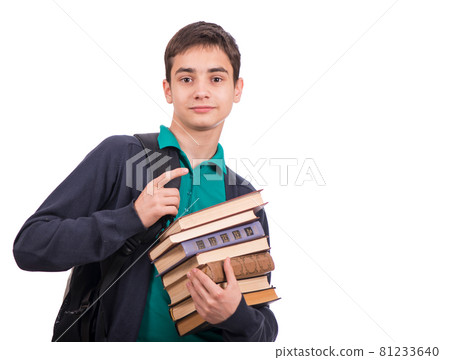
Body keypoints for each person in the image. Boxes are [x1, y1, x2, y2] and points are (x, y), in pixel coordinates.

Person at [13, 21, 278, 342]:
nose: (201, 90)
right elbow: (30, 246)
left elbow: (264, 328)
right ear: (168, 89)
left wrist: (236, 316)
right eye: (186, 78)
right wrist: (130, 218)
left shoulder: (243, 199)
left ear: (237, 90)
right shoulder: (123, 156)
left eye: (217, 78)